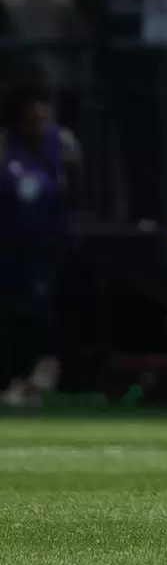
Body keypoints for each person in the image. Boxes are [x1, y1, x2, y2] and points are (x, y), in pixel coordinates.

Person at [0, 74, 78, 410]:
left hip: (45, 239)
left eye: (44, 115)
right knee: (10, 310)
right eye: (32, 118)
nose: (39, 123)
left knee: (37, 299)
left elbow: (75, 187)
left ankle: (48, 360)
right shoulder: (4, 144)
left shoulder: (62, 143)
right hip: (7, 238)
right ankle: (17, 378)